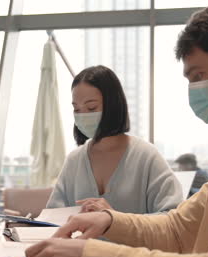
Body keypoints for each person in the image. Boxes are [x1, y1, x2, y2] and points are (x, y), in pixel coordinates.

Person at [25, 3, 208, 257]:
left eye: (199, 76)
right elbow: (177, 229)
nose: (195, 91)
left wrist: (91, 253)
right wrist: (109, 220)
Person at [46, 65, 183, 214]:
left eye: (91, 108)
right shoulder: (74, 160)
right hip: (81, 239)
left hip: (131, 239)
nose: (83, 115)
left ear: (113, 105)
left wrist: (116, 221)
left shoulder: (146, 156)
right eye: (76, 109)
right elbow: (52, 218)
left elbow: (172, 220)